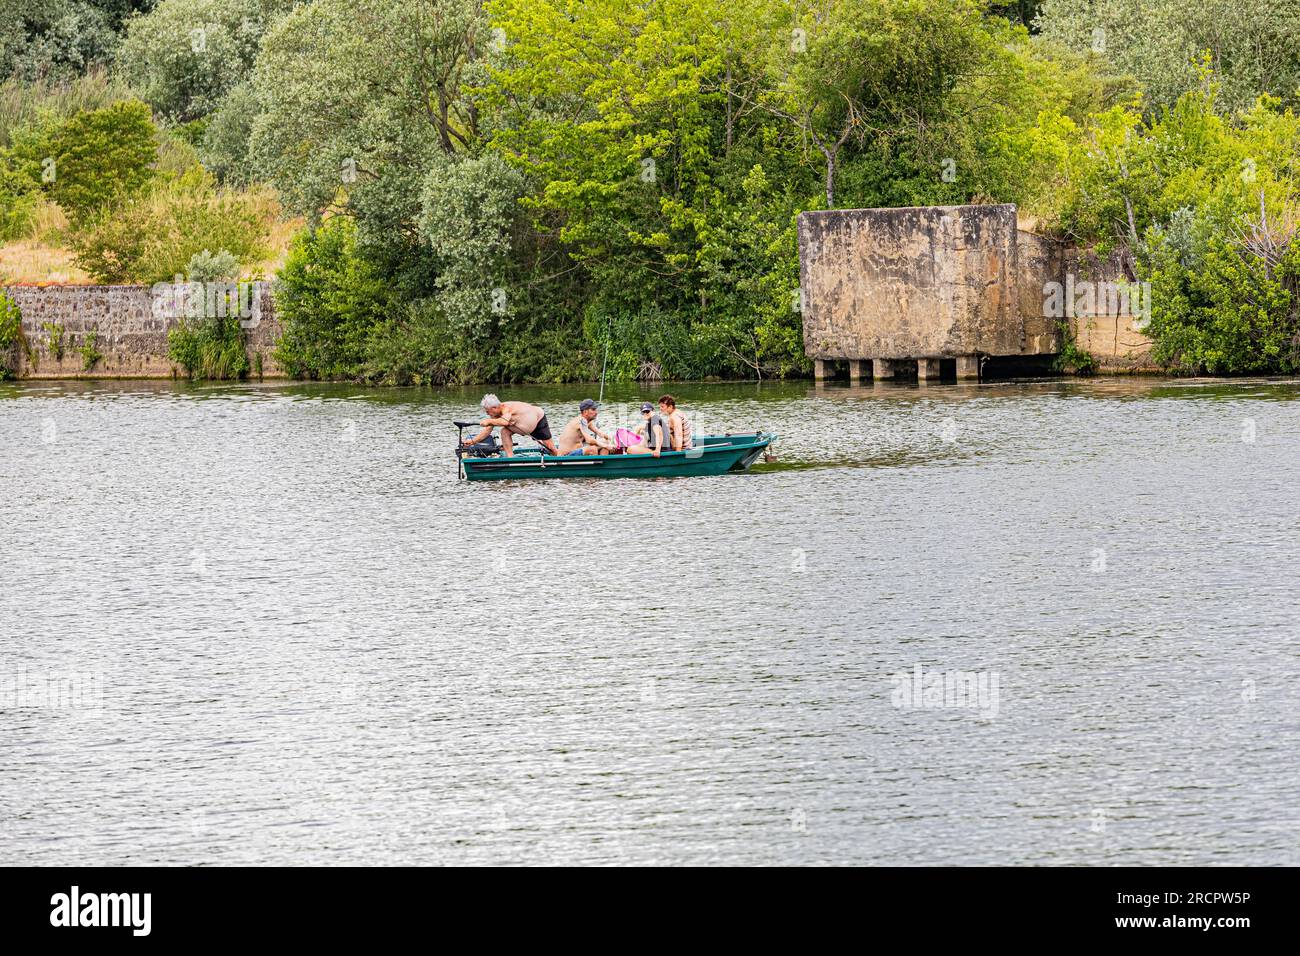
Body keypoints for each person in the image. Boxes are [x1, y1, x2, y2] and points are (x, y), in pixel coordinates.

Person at [462, 394, 559, 456]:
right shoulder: (496, 414)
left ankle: (561, 461)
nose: (487, 414)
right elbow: (487, 431)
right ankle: (510, 458)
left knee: (550, 447)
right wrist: (472, 441)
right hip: (523, 425)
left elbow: (505, 422)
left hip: (538, 419)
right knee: (504, 431)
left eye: (488, 411)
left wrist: (488, 421)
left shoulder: (506, 409)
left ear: (495, 407)